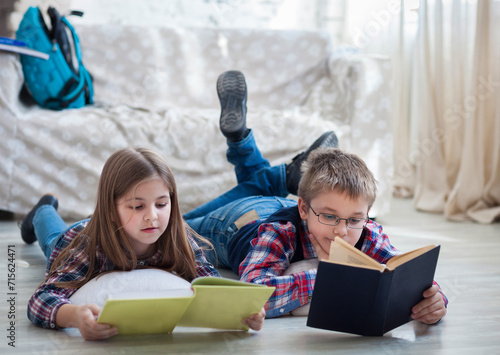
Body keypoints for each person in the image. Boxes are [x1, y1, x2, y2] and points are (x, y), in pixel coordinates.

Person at [183, 70, 448, 324]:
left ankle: (271, 167)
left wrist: (433, 299)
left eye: (354, 219)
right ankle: (276, 174)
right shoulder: (279, 234)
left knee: (258, 183)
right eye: (330, 217)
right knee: (178, 226)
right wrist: (329, 276)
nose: (342, 231)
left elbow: (402, 273)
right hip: (240, 221)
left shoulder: (365, 231)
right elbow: (253, 295)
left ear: (366, 215)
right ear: (304, 208)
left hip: (292, 205)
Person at [19, 147, 265, 340]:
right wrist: (73, 316)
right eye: (137, 206)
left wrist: (244, 310)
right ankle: (42, 210)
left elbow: (211, 284)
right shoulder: (86, 246)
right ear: (111, 209)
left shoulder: (179, 238)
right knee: (52, 240)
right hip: (77, 236)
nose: (152, 216)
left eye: (161, 204)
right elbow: (41, 299)